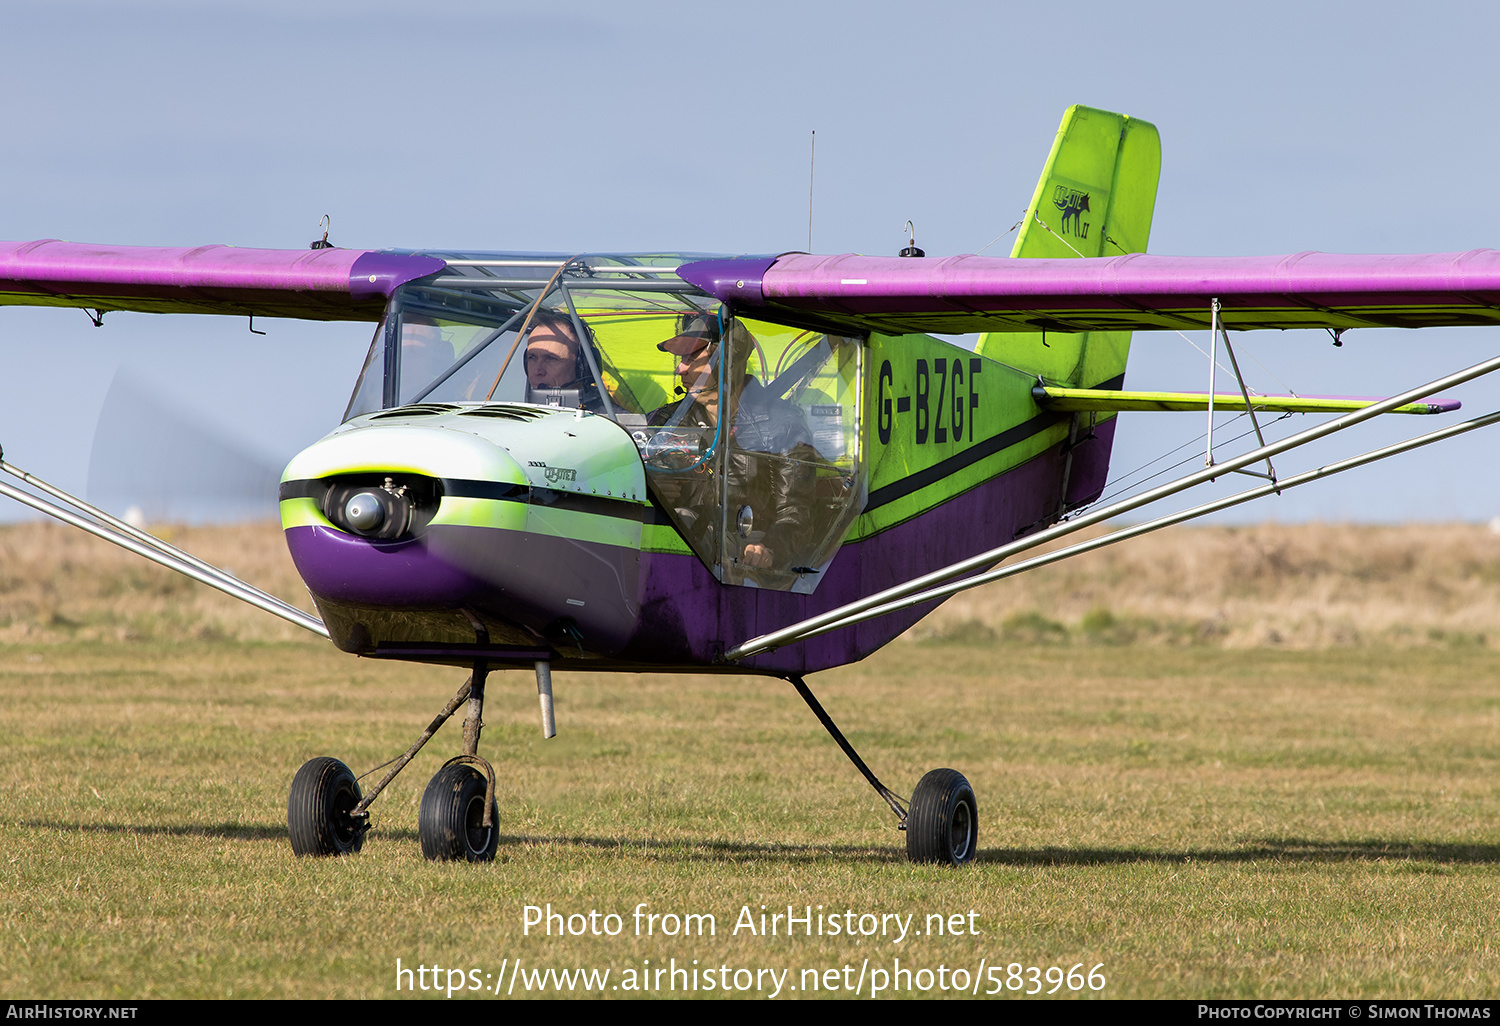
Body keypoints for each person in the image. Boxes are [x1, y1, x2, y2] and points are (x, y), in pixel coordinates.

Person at [647, 312, 816, 576]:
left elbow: (796, 511)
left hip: (744, 551)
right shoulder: (667, 421)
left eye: (692, 358)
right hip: (679, 543)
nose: (680, 368)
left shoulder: (783, 423)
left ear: (726, 361)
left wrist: (769, 549)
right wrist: (656, 490)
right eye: (681, 359)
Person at [522, 312, 609, 411]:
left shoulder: (614, 421)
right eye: (532, 358)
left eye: (551, 358)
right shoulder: (515, 419)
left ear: (583, 365)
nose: (538, 371)